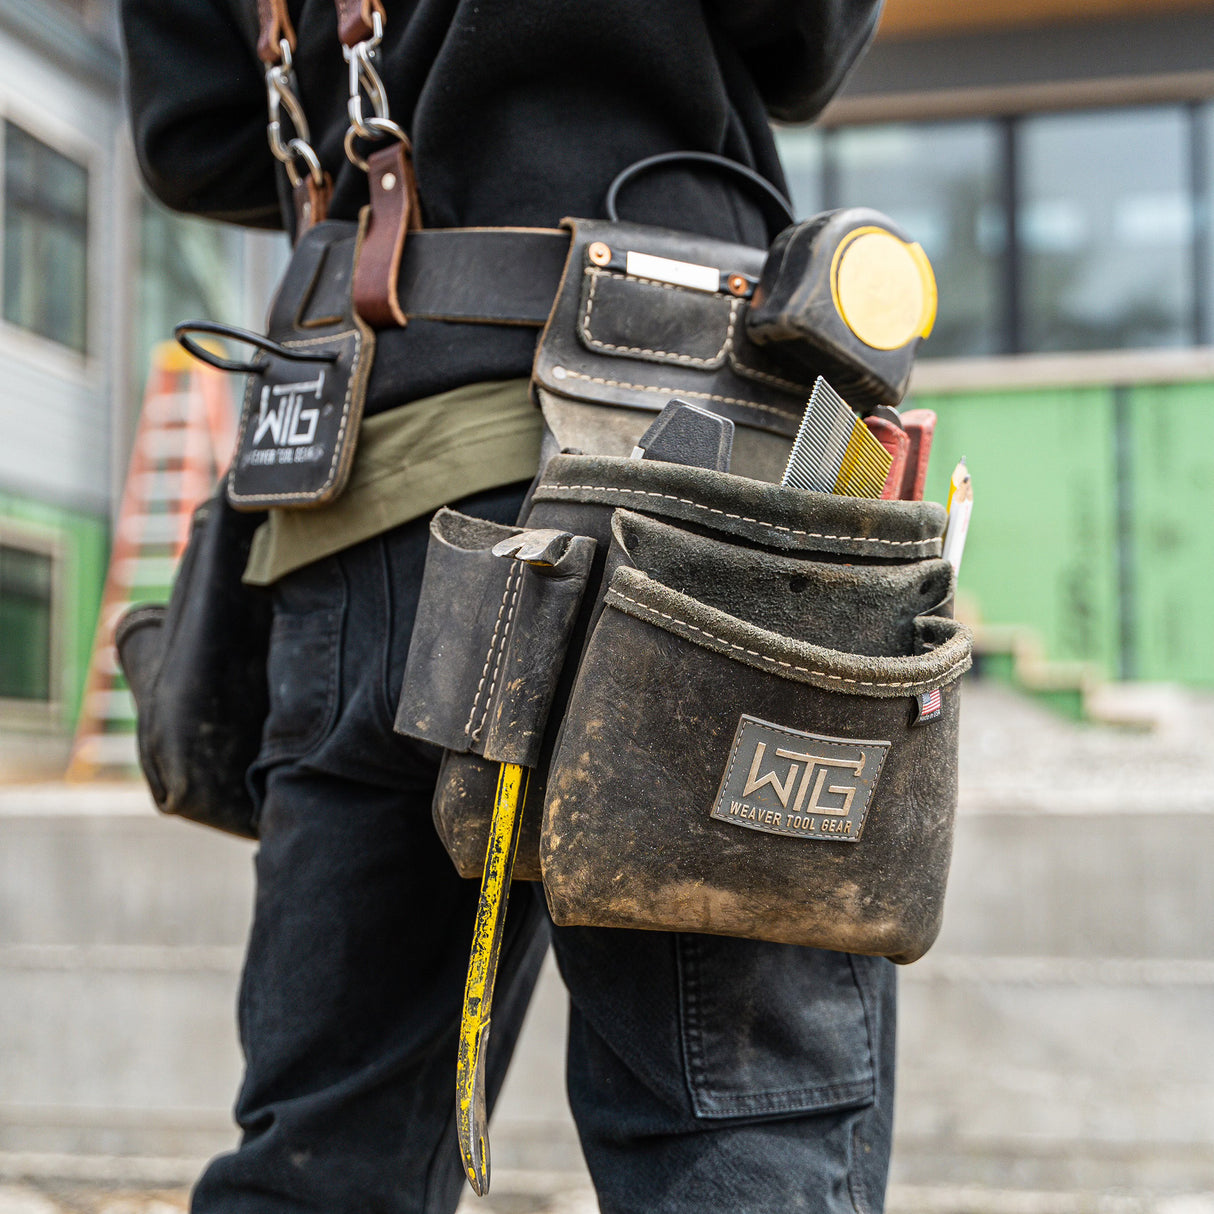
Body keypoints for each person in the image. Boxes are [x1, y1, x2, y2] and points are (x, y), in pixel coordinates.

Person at [121, 3, 894, 1211]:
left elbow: (197, 138)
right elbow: (798, 36)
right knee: (740, 1138)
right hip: (668, 482)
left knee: (323, 1155)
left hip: (363, 497)